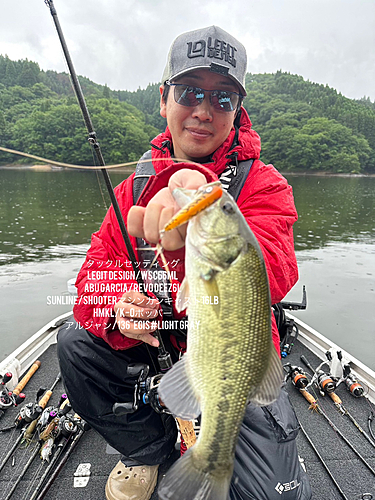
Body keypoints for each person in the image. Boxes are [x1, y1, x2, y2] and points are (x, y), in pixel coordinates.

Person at [57, 25, 312, 500]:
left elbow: (275, 268)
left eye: (222, 99)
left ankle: (206, 447)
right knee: (74, 343)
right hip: (156, 347)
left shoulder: (265, 186)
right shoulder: (132, 190)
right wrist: (115, 306)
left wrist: (193, 213)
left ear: (237, 112)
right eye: (189, 91)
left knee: (276, 494)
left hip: (234, 360)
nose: (202, 109)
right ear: (163, 99)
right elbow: (93, 276)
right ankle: (147, 450)